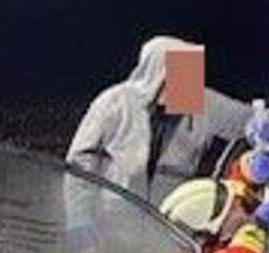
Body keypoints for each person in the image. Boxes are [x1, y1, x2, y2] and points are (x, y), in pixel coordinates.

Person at [68, 37, 248, 205]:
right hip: (114, 209)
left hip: (168, 217)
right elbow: (80, 161)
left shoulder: (203, 104)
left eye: (192, 72)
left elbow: (250, 118)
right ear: (156, 72)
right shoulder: (114, 103)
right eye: (182, 72)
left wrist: (263, 124)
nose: (189, 83)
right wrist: (79, 217)